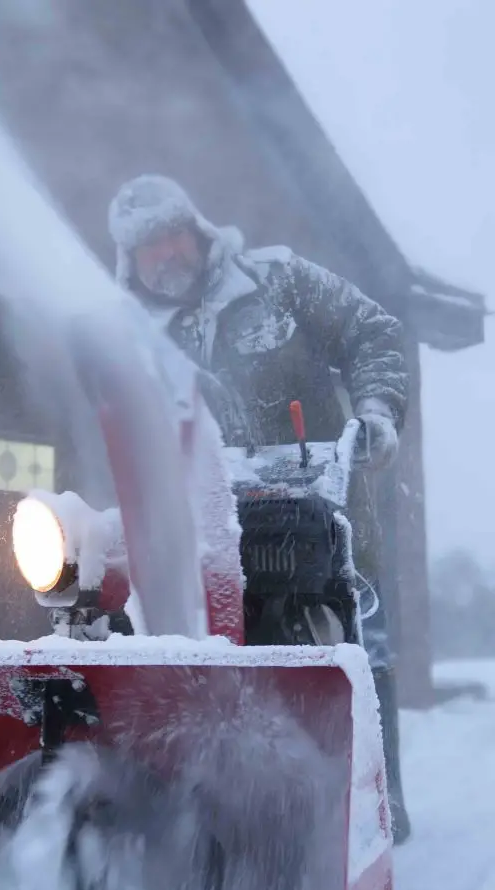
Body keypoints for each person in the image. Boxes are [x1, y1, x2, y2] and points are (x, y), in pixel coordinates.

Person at [107, 173, 412, 844]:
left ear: (197, 229)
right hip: (213, 542)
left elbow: (373, 331)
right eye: (146, 248)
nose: (164, 256)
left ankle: (374, 805)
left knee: (364, 655)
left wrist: (377, 410)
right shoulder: (135, 337)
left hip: (327, 524)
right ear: (130, 263)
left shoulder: (278, 282)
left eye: (169, 236)